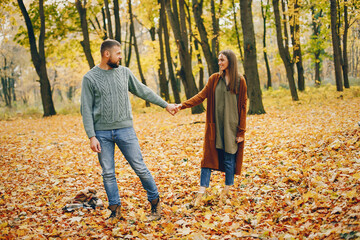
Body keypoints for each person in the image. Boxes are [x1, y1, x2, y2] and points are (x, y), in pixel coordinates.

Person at [81, 39, 178, 221]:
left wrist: (165, 105)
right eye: (118, 53)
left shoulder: (124, 73)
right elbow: (86, 108)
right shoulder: (90, 78)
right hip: (102, 133)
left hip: (125, 129)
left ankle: (155, 204)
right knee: (108, 173)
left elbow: (143, 91)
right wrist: (91, 136)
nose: (120, 57)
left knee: (140, 168)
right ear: (106, 54)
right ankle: (115, 210)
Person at [176, 49, 247, 206]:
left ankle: (226, 191)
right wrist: (182, 105)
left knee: (229, 159)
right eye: (219, 60)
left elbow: (242, 106)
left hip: (231, 127)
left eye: (222, 60)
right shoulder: (214, 79)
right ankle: (201, 193)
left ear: (230, 61)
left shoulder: (240, 81)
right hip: (214, 127)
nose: (219, 63)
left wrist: (241, 130)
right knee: (207, 159)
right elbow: (201, 96)